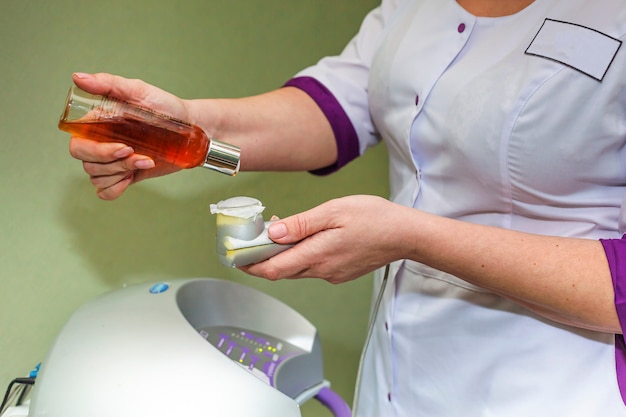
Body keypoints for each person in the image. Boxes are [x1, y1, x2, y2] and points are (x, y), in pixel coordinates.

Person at [65, 0, 626, 415]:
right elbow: (338, 107)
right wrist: (187, 125)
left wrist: (413, 237)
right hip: (398, 375)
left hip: (559, 386)